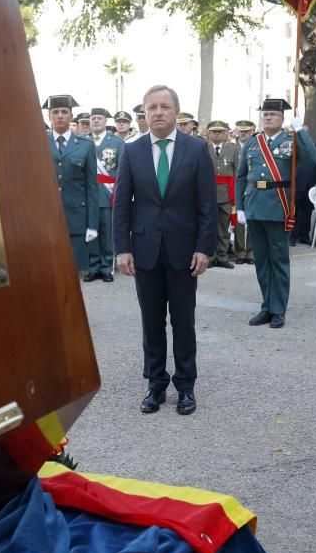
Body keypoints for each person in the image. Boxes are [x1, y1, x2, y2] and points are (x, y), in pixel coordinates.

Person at [114, 85, 217, 416]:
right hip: (144, 251)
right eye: (151, 107)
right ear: (144, 113)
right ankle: (155, 384)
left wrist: (204, 248)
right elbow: (122, 206)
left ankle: (185, 386)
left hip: (184, 252)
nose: (157, 112)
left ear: (176, 112)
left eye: (164, 106)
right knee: (152, 322)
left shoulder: (197, 150)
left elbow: (207, 205)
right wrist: (122, 249)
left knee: (183, 321)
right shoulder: (132, 151)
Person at [235, 99, 316, 328]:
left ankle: (278, 309)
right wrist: (240, 207)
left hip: (278, 206)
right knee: (261, 262)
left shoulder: (291, 140)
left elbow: (313, 158)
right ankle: (266, 307)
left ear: (282, 118)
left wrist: (300, 131)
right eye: (265, 114)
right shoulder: (253, 143)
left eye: (272, 114)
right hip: (254, 206)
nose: (268, 117)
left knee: (278, 261)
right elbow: (241, 176)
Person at [44, 95, 99, 273]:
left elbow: (91, 187)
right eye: (55, 112)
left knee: (73, 275)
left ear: (71, 116)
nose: (60, 116)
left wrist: (92, 225)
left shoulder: (85, 145)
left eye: (64, 112)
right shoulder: (38, 142)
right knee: (49, 274)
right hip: (46, 221)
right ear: (49, 116)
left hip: (77, 220)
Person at [86, 108, 124, 282]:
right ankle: (93, 267)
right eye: (93, 118)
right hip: (88, 196)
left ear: (105, 121)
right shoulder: (83, 142)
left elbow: (122, 171)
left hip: (108, 195)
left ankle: (107, 267)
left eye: (99, 118)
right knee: (91, 232)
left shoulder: (116, 142)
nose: (95, 121)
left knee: (107, 234)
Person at [207, 120, 240, 268]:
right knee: (209, 227)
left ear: (226, 133)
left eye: (220, 131)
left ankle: (222, 256)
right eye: (214, 131)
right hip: (207, 194)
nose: (217, 134)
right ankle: (210, 256)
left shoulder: (233, 149)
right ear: (209, 134)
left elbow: (238, 172)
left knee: (223, 229)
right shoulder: (203, 148)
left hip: (226, 195)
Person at [232, 120, 257, 264]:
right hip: (236, 187)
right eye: (241, 131)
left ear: (252, 131)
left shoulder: (257, 146)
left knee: (253, 221)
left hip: (252, 187)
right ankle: (240, 252)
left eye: (246, 131)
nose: (243, 134)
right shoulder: (232, 147)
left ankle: (251, 252)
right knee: (239, 222)